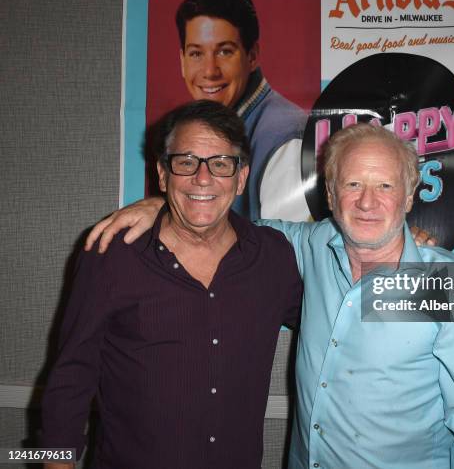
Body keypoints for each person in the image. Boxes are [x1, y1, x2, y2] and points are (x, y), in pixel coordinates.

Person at [85, 123, 454, 468]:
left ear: (410, 196)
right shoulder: (306, 246)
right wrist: (160, 206)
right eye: (353, 184)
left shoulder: (451, 284)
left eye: (385, 186)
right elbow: (214, 217)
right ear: (329, 195)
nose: (366, 202)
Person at [39, 101, 303, 469]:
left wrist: (410, 248)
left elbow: (334, 319)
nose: (203, 178)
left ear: (241, 178)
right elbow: (69, 378)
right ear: (163, 175)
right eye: (186, 161)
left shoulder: (273, 258)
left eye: (221, 164)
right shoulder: (111, 255)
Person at [173, 0, 308, 220]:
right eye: (196, 53)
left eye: (225, 51)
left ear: (252, 56)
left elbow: (285, 254)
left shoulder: (287, 140)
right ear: (182, 60)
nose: (209, 71)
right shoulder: (209, 128)